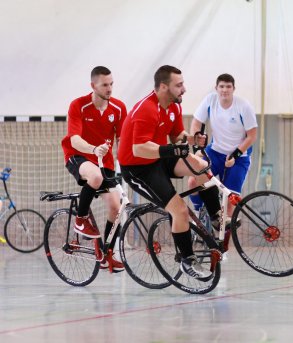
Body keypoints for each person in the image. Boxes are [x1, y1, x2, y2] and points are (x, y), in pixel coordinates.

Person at [118, 65, 221, 280]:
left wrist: (193, 139)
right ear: (164, 87)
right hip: (138, 169)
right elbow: (139, 149)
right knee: (180, 211)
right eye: (179, 85)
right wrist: (171, 149)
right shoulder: (146, 109)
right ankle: (187, 260)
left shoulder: (173, 106)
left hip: (158, 158)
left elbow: (177, 138)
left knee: (200, 165)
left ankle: (216, 219)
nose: (184, 89)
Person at [61, 66, 127, 273]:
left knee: (117, 208)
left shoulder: (118, 108)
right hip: (78, 155)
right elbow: (75, 139)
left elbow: (122, 140)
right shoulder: (79, 106)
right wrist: (93, 148)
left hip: (104, 162)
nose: (109, 89)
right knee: (95, 177)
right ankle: (80, 220)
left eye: (111, 84)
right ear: (93, 86)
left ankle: (107, 253)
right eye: (105, 85)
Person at [188, 73, 258, 234]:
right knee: (193, 181)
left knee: (229, 203)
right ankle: (198, 214)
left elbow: (252, 136)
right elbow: (196, 123)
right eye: (222, 86)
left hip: (239, 156)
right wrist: (198, 148)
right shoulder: (210, 101)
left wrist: (235, 155)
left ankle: (223, 246)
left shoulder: (243, 106)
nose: (225, 90)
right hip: (215, 151)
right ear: (216, 88)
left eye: (228, 87)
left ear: (233, 89)